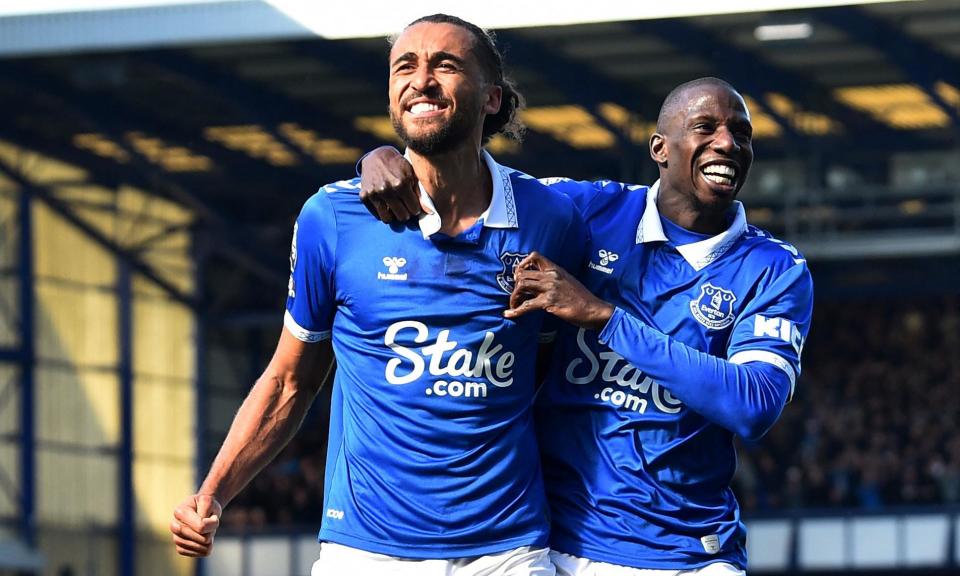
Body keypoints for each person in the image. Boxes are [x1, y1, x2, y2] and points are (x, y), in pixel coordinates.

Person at [170, 14, 586, 575]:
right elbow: (292, 379)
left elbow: (550, 371)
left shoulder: (553, 219)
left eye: (446, 64)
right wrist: (213, 494)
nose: (422, 79)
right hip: (365, 553)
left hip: (508, 553)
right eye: (405, 66)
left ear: (492, 99)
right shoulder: (333, 217)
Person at [359, 77, 814, 575]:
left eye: (741, 134)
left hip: (686, 552)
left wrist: (604, 316)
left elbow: (753, 404)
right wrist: (383, 159)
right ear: (660, 148)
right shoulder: (586, 208)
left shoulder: (773, 267)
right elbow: (471, 189)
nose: (728, 143)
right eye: (706, 127)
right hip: (554, 545)